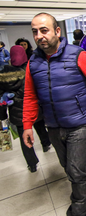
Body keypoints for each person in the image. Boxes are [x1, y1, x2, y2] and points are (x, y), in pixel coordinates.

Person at [22, 13, 86, 216]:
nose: (39, 36)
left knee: (76, 170)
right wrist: (27, 125)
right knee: (67, 166)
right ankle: (79, 194)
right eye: (35, 31)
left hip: (80, 124)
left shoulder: (79, 55)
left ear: (57, 31)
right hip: (53, 126)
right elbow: (30, 96)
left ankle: (79, 207)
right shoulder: (33, 62)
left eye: (44, 30)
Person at [0, 45, 51, 173]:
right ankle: (46, 144)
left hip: (18, 112)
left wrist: (3, 113)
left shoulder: (3, 74)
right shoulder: (31, 69)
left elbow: (1, 97)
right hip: (34, 107)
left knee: (25, 138)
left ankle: (32, 164)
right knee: (40, 127)